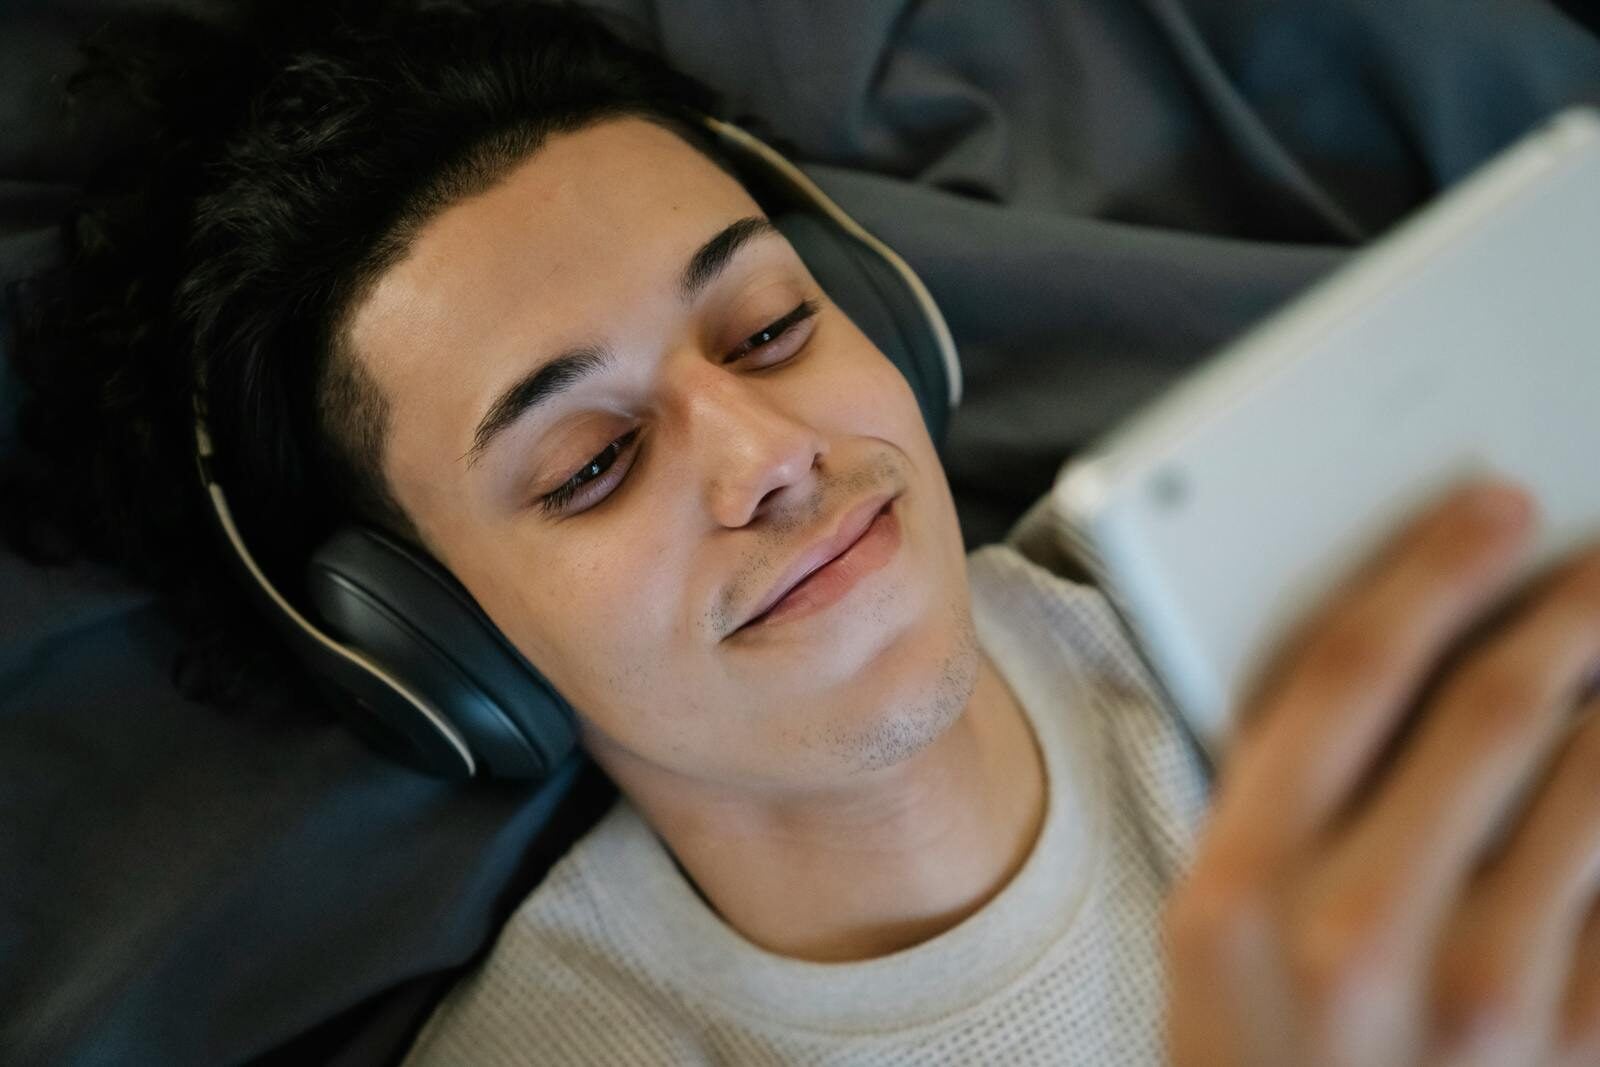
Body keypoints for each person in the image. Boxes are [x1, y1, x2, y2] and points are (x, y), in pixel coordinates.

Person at [5, 1, 1599, 1063]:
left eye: (767, 328)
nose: (770, 456)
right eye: (591, 463)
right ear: (442, 652)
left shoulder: (1313, 593)